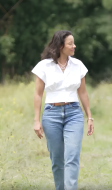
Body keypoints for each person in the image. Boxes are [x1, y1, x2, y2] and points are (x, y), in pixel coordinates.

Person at [32, 30, 94, 190]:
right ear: (60, 46)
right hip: (51, 114)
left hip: (74, 113)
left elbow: (83, 92)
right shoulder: (44, 66)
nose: (74, 46)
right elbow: (38, 94)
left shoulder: (78, 65)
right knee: (57, 160)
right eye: (70, 44)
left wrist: (89, 117)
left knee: (72, 157)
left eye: (73, 43)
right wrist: (36, 120)